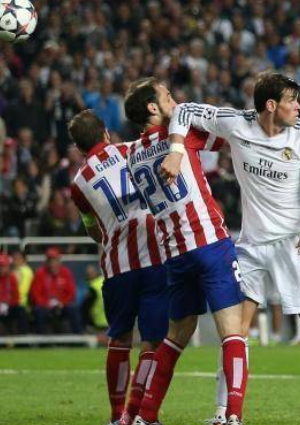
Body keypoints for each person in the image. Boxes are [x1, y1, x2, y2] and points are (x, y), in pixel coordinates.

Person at [160, 71, 300, 425]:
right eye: (292, 101)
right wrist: (176, 151)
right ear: (271, 105)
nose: (299, 106)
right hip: (251, 247)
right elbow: (182, 111)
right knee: (235, 330)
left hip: (297, 244)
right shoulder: (236, 123)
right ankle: (222, 414)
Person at [123, 78, 247, 425]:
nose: (175, 101)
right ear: (153, 107)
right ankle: (233, 416)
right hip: (208, 242)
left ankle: (146, 416)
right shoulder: (178, 135)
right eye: (167, 96)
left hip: (174, 253)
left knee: (176, 335)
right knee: (232, 331)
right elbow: (229, 136)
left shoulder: (131, 155)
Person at [68, 110, 169, 425]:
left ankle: (116, 416)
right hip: (155, 258)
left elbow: (93, 231)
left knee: (120, 339)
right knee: (152, 340)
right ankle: (137, 413)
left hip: (117, 266)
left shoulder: (78, 184)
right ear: (105, 133)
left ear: (79, 148)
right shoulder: (131, 150)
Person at [30, 247, 82, 334]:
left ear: (59, 261)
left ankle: (78, 336)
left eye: (55, 260)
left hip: (62, 305)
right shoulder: (40, 273)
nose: (53, 264)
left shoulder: (66, 272)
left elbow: (71, 293)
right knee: (38, 310)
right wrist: (46, 303)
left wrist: (62, 303)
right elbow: (35, 294)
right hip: (45, 306)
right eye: (50, 261)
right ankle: (41, 338)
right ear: (47, 262)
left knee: (73, 308)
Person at [0, 252, 26, 335]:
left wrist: (7, 304)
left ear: (8, 267)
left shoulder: (12, 278)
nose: (1, 269)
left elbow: (16, 296)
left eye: (4, 266)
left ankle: (22, 337)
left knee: (21, 310)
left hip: (9, 305)